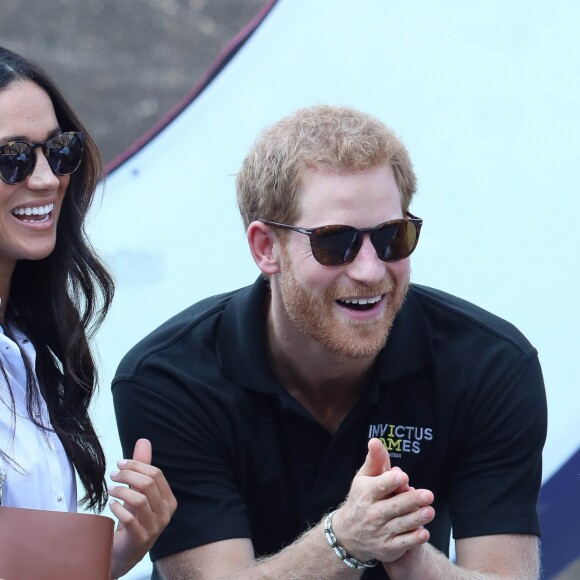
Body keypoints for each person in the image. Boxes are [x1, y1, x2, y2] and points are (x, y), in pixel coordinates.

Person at [113, 104, 547, 579]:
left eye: (392, 237)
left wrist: (411, 557)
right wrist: (345, 540)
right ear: (265, 248)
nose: (369, 270)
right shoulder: (169, 377)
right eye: (335, 242)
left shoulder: (491, 365)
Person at [0, 46, 177, 579]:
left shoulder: (24, 349)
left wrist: (118, 552)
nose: (47, 179)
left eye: (59, 150)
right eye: (11, 156)